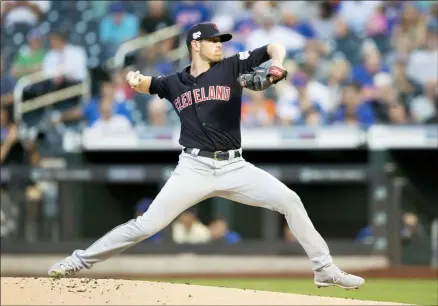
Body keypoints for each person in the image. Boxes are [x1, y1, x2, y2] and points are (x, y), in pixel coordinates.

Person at [48, 22, 365, 290]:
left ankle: (323, 269)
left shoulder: (231, 66)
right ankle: (78, 260)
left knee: (290, 200)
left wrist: (277, 65)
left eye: (221, 41)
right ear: (195, 45)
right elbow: (149, 84)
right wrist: (134, 80)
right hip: (193, 167)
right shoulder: (176, 82)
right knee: (146, 225)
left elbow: (273, 46)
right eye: (214, 41)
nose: (220, 45)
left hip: (235, 165)